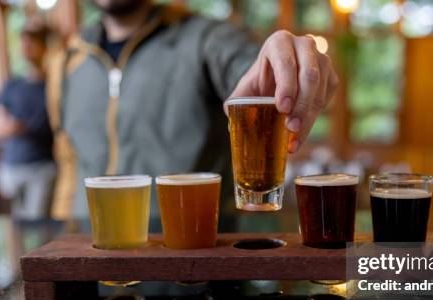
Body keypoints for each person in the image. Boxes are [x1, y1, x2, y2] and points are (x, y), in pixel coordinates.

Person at [48, 0, 337, 221]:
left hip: (192, 250)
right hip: (90, 247)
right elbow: (68, 161)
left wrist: (284, 61)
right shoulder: (68, 58)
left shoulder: (208, 38)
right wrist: (62, 234)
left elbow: (251, 70)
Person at [0, 20, 56, 220]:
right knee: (14, 225)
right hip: (10, 168)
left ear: (44, 47)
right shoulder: (12, 85)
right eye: (24, 43)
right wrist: (13, 128)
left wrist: (20, 127)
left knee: (37, 223)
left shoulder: (52, 86)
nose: (27, 48)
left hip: (41, 167)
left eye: (32, 43)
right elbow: (0, 126)